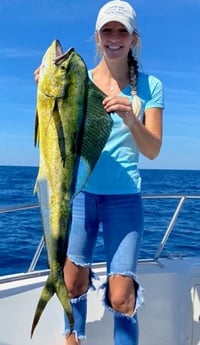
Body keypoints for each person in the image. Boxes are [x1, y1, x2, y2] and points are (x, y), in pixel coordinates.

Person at [34, 1, 164, 344]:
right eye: (108, 30)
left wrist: (131, 118)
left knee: (122, 295)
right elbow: (51, 125)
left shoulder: (151, 87)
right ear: (97, 37)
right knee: (73, 281)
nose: (115, 38)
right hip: (78, 195)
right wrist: (44, 82)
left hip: (124, 200)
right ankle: (72, 337)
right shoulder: (78, 78)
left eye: (122, 31)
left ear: (133, 38)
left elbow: (152, 149)